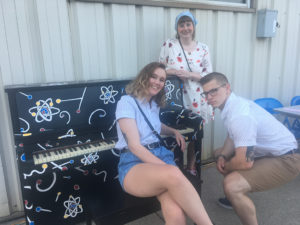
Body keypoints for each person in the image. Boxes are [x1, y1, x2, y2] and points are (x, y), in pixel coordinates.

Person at [115, 62, 213, 225]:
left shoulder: (153, 104)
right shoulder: (126, 102)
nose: (157, 82)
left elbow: (156, 126)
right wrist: (165, 168)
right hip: (134, 163)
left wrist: (174, 131)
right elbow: (134, 146)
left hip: (160, 156)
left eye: (162, 79)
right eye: (154, 76)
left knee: (176, 214)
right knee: (175, 174)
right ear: (144, 76)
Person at [199, 72, 300, 225]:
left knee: (231, 186)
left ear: (227, 88)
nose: (209, 97)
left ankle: (235, 195)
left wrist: (226, 166)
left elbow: (245, 162)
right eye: (206, 93)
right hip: (271, 152)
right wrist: (222, 157)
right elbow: (231, 137)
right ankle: (234, 198)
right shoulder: (232, 105)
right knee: (218, 153)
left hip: (288, 159)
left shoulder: (239, 115)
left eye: (214, 91)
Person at [159, 11, 213, 175]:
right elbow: (159, 69)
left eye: (188, 24)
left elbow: (209, 75)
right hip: (174, 98)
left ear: (193, 26)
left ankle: (191, 166)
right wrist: (174, 71)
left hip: (197, 97)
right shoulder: (169, 45)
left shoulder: (203, 48)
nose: (185, 28)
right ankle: (176, 169)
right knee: (176, 133)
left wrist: (189, 75)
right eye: (181, 25)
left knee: (196, 134)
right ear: (177, 27)